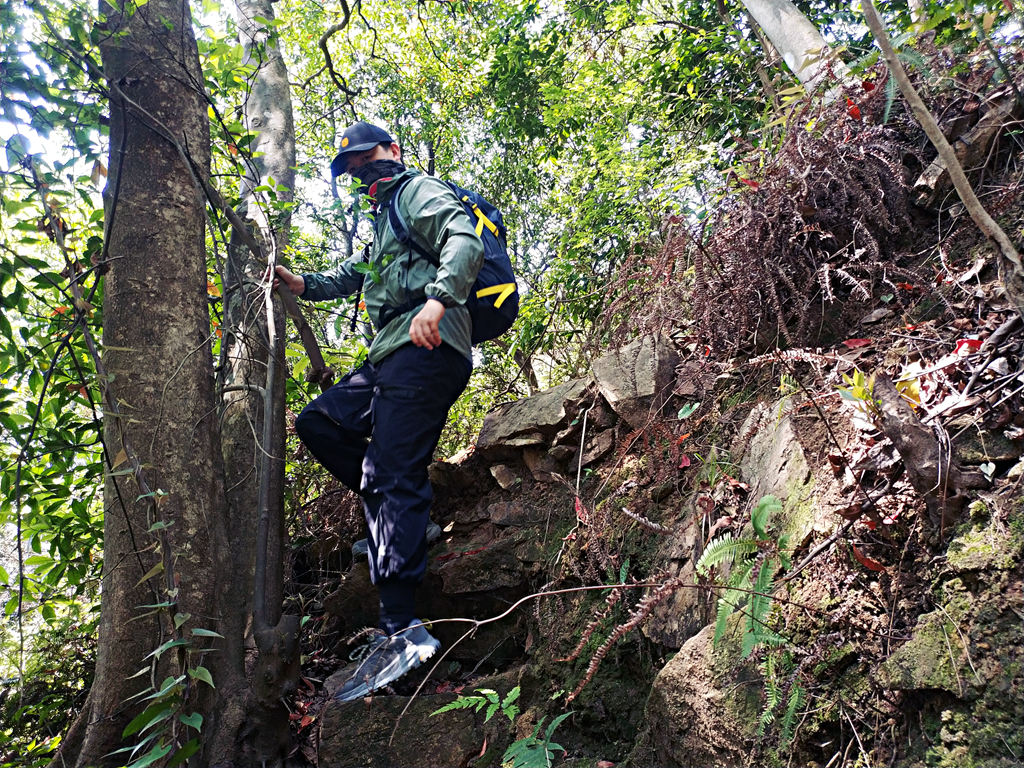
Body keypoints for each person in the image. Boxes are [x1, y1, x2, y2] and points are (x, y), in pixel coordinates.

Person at [274, 122, 483, 701]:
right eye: (353, 168)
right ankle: (403, 522)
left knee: (390, 472)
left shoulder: (416, 191)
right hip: (388, 353)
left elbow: (462, 240)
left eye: (369, 158)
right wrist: (302, 283)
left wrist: (439, 300)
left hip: (427, 347)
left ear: (392, 151)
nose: (364, 171)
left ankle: (403, 629)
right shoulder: (383, 220)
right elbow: (356, 275)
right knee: (319, 422)